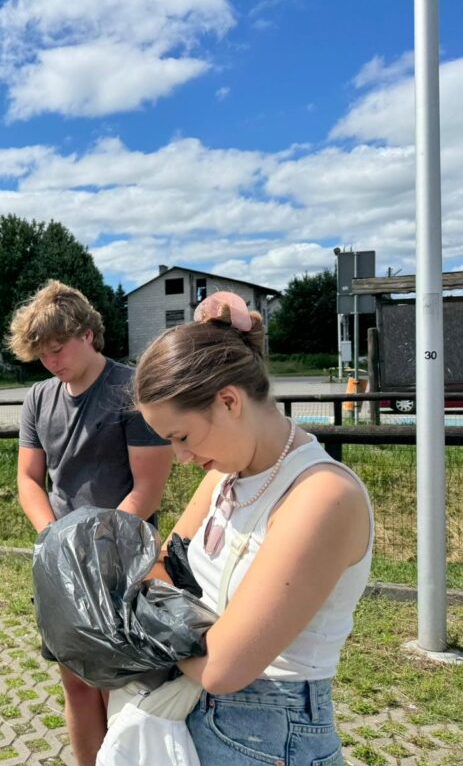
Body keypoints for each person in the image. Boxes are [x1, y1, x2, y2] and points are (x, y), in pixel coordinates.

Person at [133, 291, 373, 765]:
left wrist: (152, 621)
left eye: (181, 437)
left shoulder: (321, 497)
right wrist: (185, 632)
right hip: (190, 718)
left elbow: (224, 667)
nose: (180, 458)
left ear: (228, 400)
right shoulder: (225, 474)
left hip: (267, 740)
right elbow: (159, 567)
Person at [8, 280, 173, 766]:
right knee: (76, 683)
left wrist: (94, 546)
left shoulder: (130, 389)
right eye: (42, 356)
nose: (52, 362)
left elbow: (147, 489)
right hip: (60, 561)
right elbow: (28, 479)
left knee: (120, 685)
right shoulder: (39, 398)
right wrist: (53, 538)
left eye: (58, 349)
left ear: (87, 333)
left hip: (121, 557)